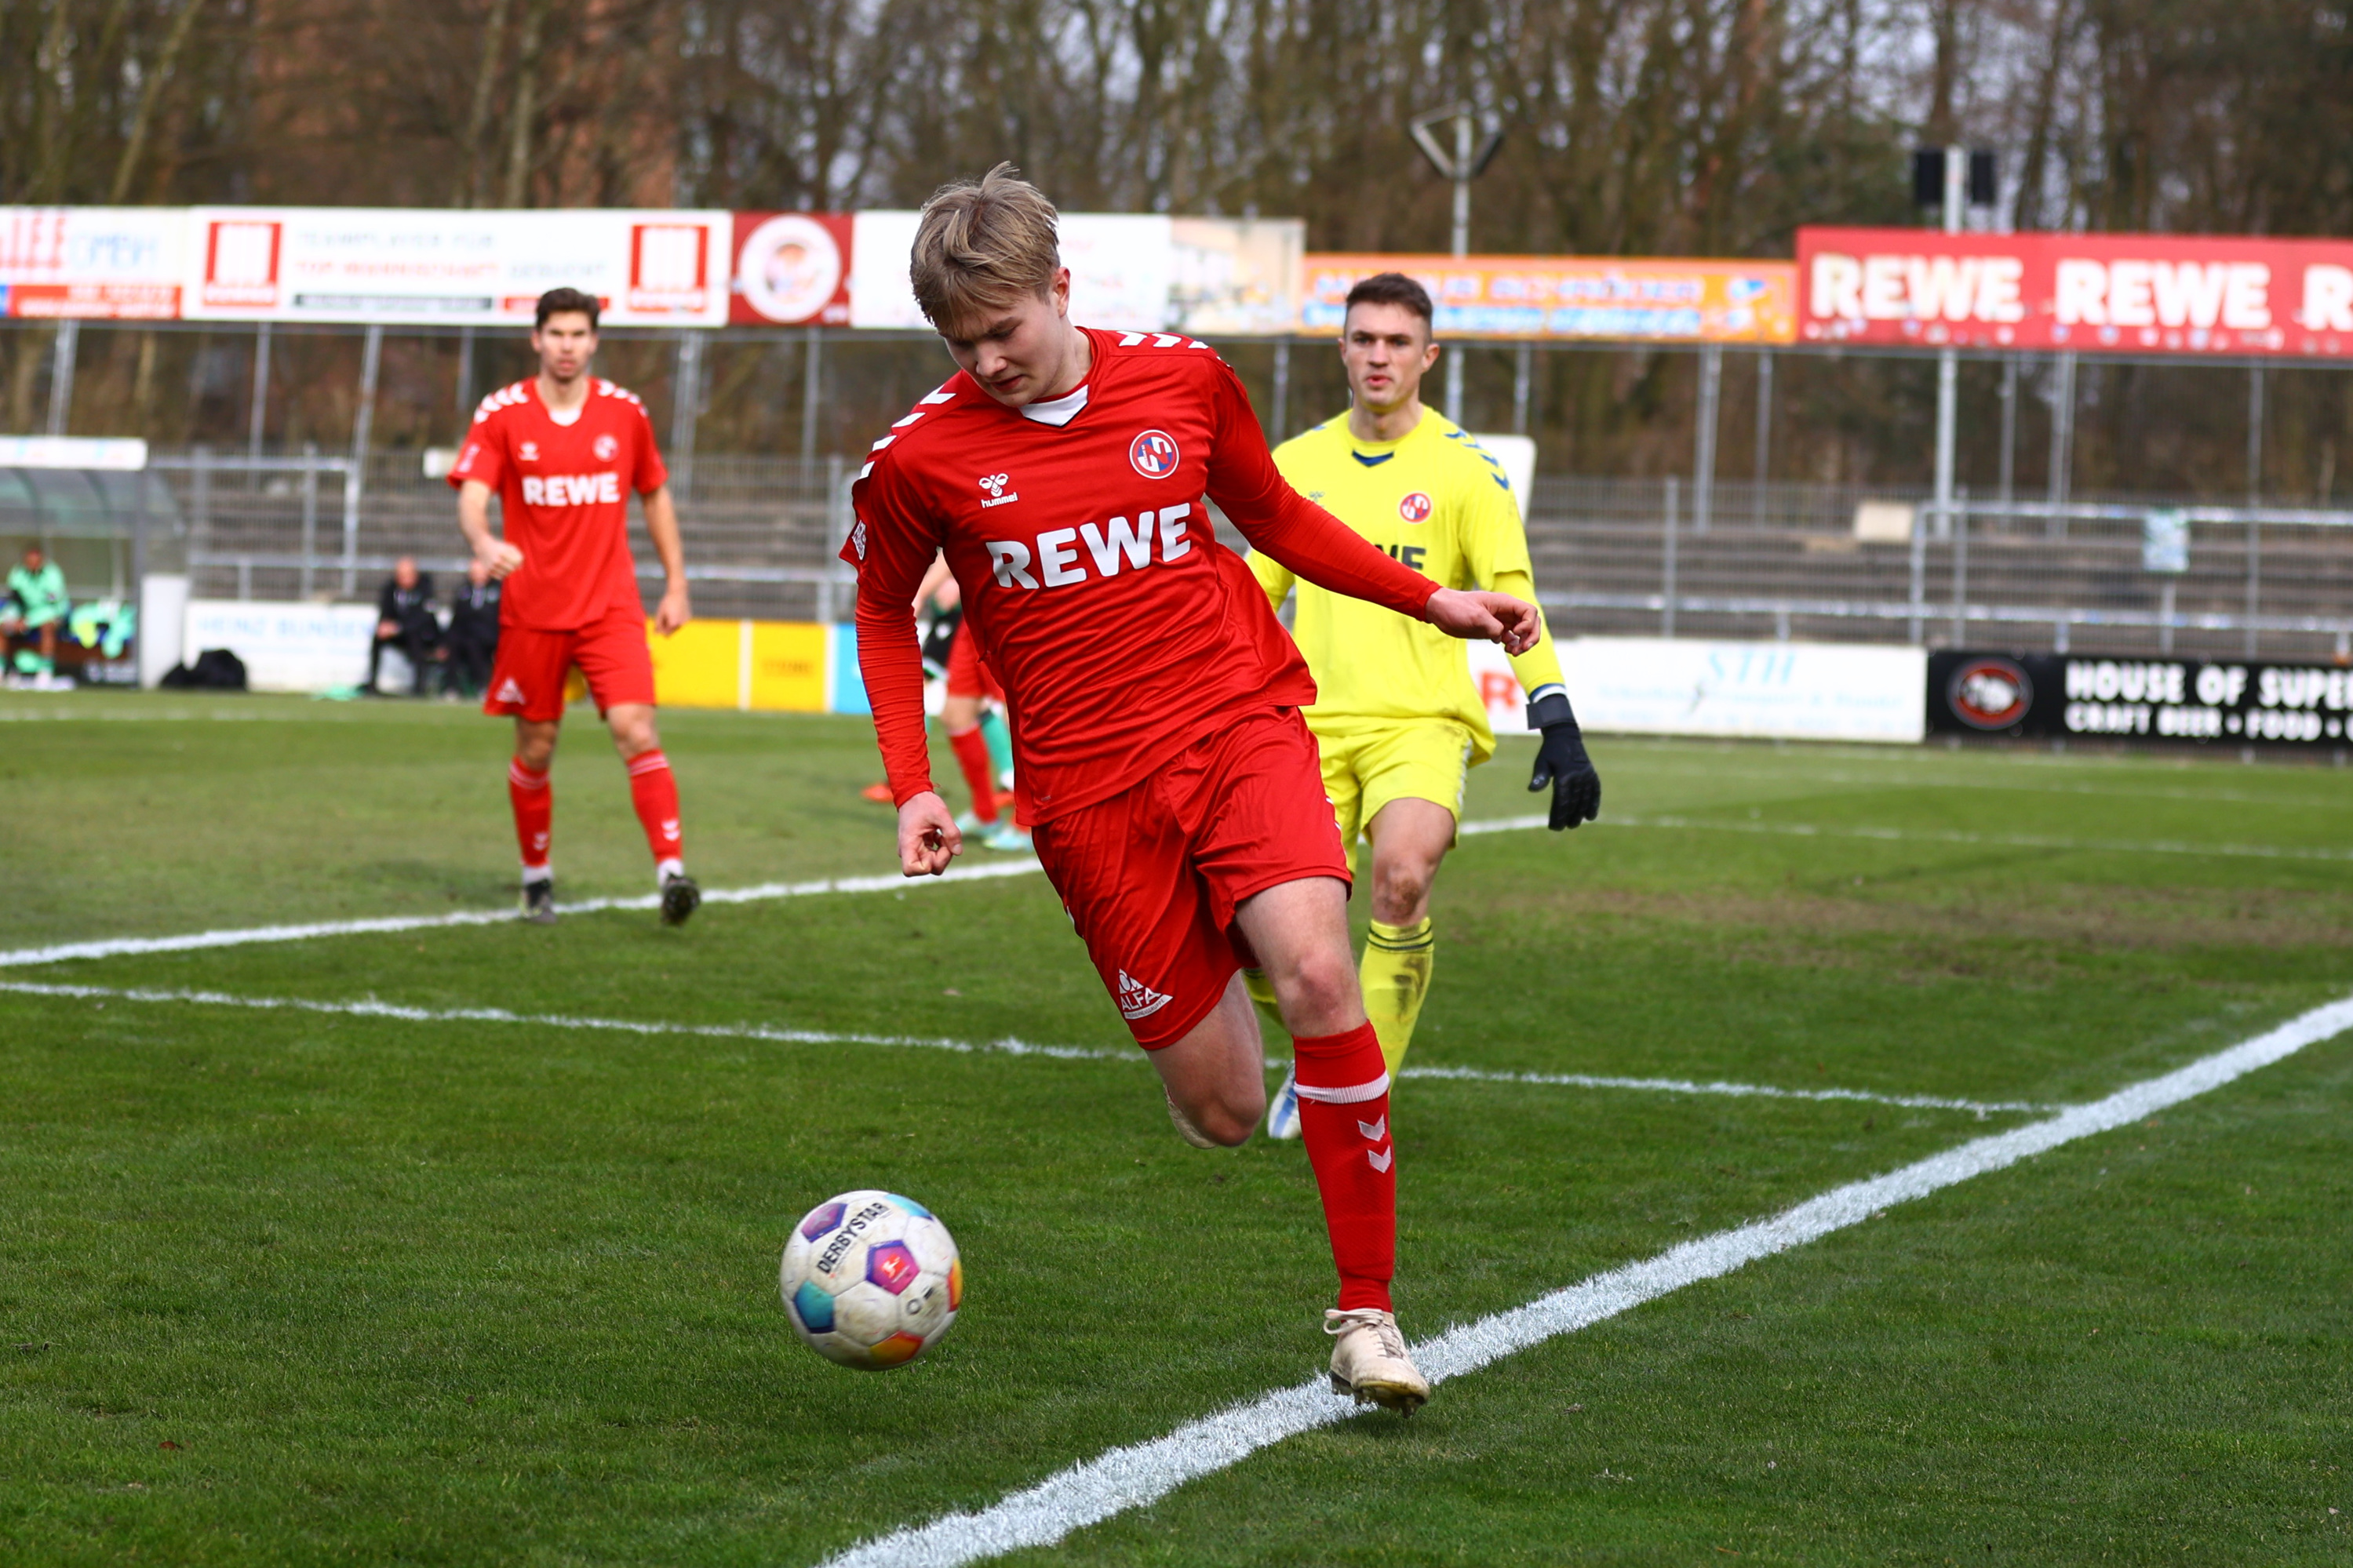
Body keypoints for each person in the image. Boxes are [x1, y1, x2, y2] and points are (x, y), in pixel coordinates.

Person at [844, 165, 1541, 1413]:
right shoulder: (918, 459)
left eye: (1004, 329)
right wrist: (912, 783)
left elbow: (1272, 514)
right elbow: (882, 613)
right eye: (963, 342)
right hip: (1086, 795)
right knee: (1221, 1111)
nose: (988, 360)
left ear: (1060, 289)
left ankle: (1366, 1313)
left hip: (1234, 721)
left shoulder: (1181, 378)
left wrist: (1430, 598)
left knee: (1324, 973)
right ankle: (1241, 932)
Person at [1251, 273, 1603, 1139]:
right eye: (1362, 339)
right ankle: (1322, 1051)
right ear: (1341, 349)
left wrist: (1552, 715)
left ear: (1427, 356)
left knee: (1402, 877)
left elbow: (1513, 598)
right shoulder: (1293, 466)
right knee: (1256, 939)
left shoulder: (1465, 471)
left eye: (1396, 342)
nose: (1378, 355)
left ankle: (1357, 1088)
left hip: (1420, 722)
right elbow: (1252, 594)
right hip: (1306, 729)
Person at [449, 286, 701, 928]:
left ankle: (671, 871)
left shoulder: (624, 412)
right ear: (537, 339)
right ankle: (537, 878)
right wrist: (482, 540)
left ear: (594, 341)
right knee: (536, 747)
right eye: (555, 334)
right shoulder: (502, 412)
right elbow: (474, 495)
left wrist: (675, 583)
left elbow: (655, 497)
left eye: (578, 335)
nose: (567, 346)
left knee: (635, 728)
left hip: (609, 607)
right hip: (532, 610)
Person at [366, 556, 440, 695]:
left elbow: (424, 618)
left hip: (421, 634)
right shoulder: (390, 588)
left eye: (407, 575)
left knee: (416, 639)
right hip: (399, 634)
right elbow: (385, 611)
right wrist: (385, 626)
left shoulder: (425, 588)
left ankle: (419, 688)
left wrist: (399, 627)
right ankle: (372, 684)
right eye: (400, 576)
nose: (404, 579)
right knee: (378, 638)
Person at [6, 545, 68, 680]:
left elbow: (52, 606)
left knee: (47, 626)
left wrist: (28, 621)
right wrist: (14, 619)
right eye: (30, 561)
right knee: (3, 626)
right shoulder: (17, 574)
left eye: (36, 561)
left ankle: (46, 672)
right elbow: (15, 601)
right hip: (26, 615)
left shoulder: (52, 574)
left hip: (53, 614)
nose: (33, 565)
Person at [443, 557, 501, 697]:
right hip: (466, 635)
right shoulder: (464, 591)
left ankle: (482, 685)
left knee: (474, 644)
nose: (477, 575)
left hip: (490, 635)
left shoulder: (498, 590)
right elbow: (457, 618)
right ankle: (452, 687)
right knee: (453, 645)